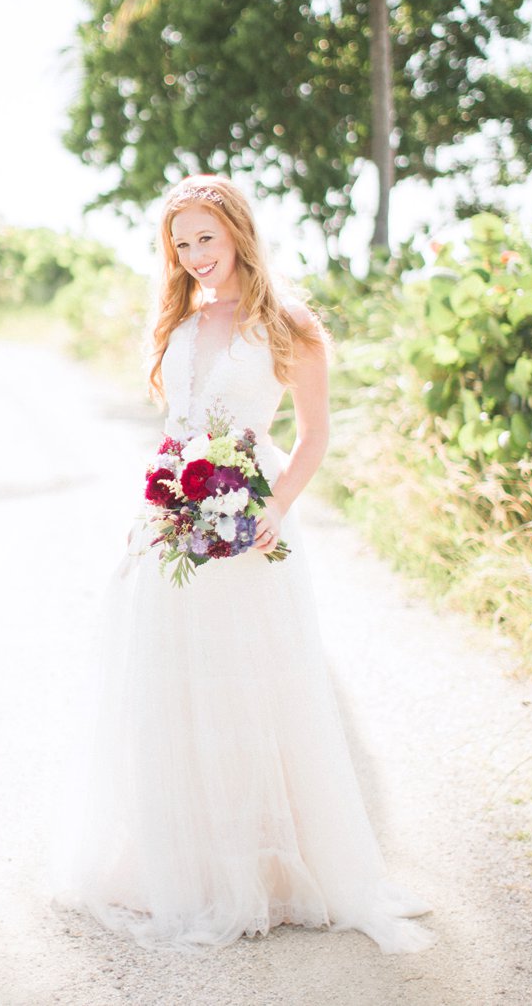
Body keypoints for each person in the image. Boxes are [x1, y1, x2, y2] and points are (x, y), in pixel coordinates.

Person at [63, 175, 434, 954]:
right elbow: (177, 430)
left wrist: (275, 507)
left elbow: (313, 435)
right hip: (172, 527)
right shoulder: (180, 326)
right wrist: (158, 507)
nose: (196, 256)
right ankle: (190, 861)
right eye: (182, 244)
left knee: (252, 684)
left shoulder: (287, 326)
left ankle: (265, 866)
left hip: (251, 528)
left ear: (237, 231)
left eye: (207, 237)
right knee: (177, 684)